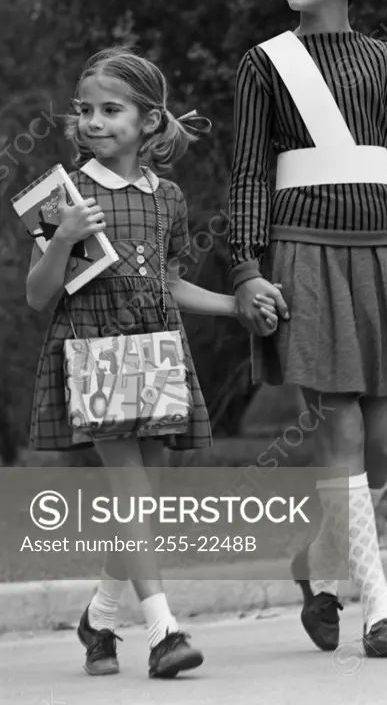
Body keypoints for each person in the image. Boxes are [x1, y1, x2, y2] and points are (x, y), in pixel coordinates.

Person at [228, 0, 387, 659]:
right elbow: (251, 173)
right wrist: (248, 268)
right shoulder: (264, 65)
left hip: (385, 251)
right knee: (343, 425)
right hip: (304, 254)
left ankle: (318, 562)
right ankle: (377, 605)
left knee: (386, 438)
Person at [27, 47, 278, 679]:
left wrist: (236, 306)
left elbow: (169, 285)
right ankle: (165, 632)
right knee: (133, 496)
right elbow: (38, 294)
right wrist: (61, 237)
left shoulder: (166, 197)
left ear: (148, 121)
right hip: (95, 354)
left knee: (145, 503)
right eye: (85, 110)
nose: (94, 121)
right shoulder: (66, 194)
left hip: (158, 350)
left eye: (112, 110)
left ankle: (99, 619)